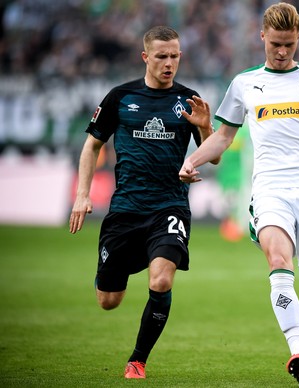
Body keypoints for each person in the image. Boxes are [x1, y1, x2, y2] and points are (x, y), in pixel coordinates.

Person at [179, 2, 299, 385]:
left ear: (298, 39)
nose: (282, 51)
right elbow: (223, 137)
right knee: (278, 259)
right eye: (276, 43)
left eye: (289, 44)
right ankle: (295, 353)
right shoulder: (244, 84)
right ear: (262, 37)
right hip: (270, 186)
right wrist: (193, 160)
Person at [69, 25, 219, 379]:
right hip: (125, 209)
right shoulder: (120, 97)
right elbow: (92, 145)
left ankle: (137, 360)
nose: (169, 63)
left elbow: (213, 158)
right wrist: (82, 194)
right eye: (162, 56)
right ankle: (131, 262)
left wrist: (206, 127)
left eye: (175, 56)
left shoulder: (190, 100)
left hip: (169, 206)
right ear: (145, 57)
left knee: (162, 281)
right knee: (108, 300)